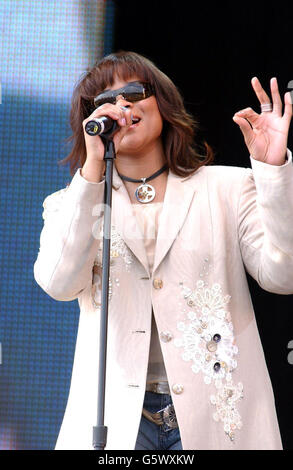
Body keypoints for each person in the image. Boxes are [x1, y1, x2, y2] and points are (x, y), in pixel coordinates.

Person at [34, 51, 293, 450]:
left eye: (135, 91)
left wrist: (273, 172)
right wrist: (91, 172)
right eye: (106, 100)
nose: (122, 105)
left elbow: (283, 275)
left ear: (164, 103)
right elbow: (58, 283)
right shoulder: (69, 203)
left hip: (217, 415)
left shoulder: (227, 188)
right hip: (117, 419)